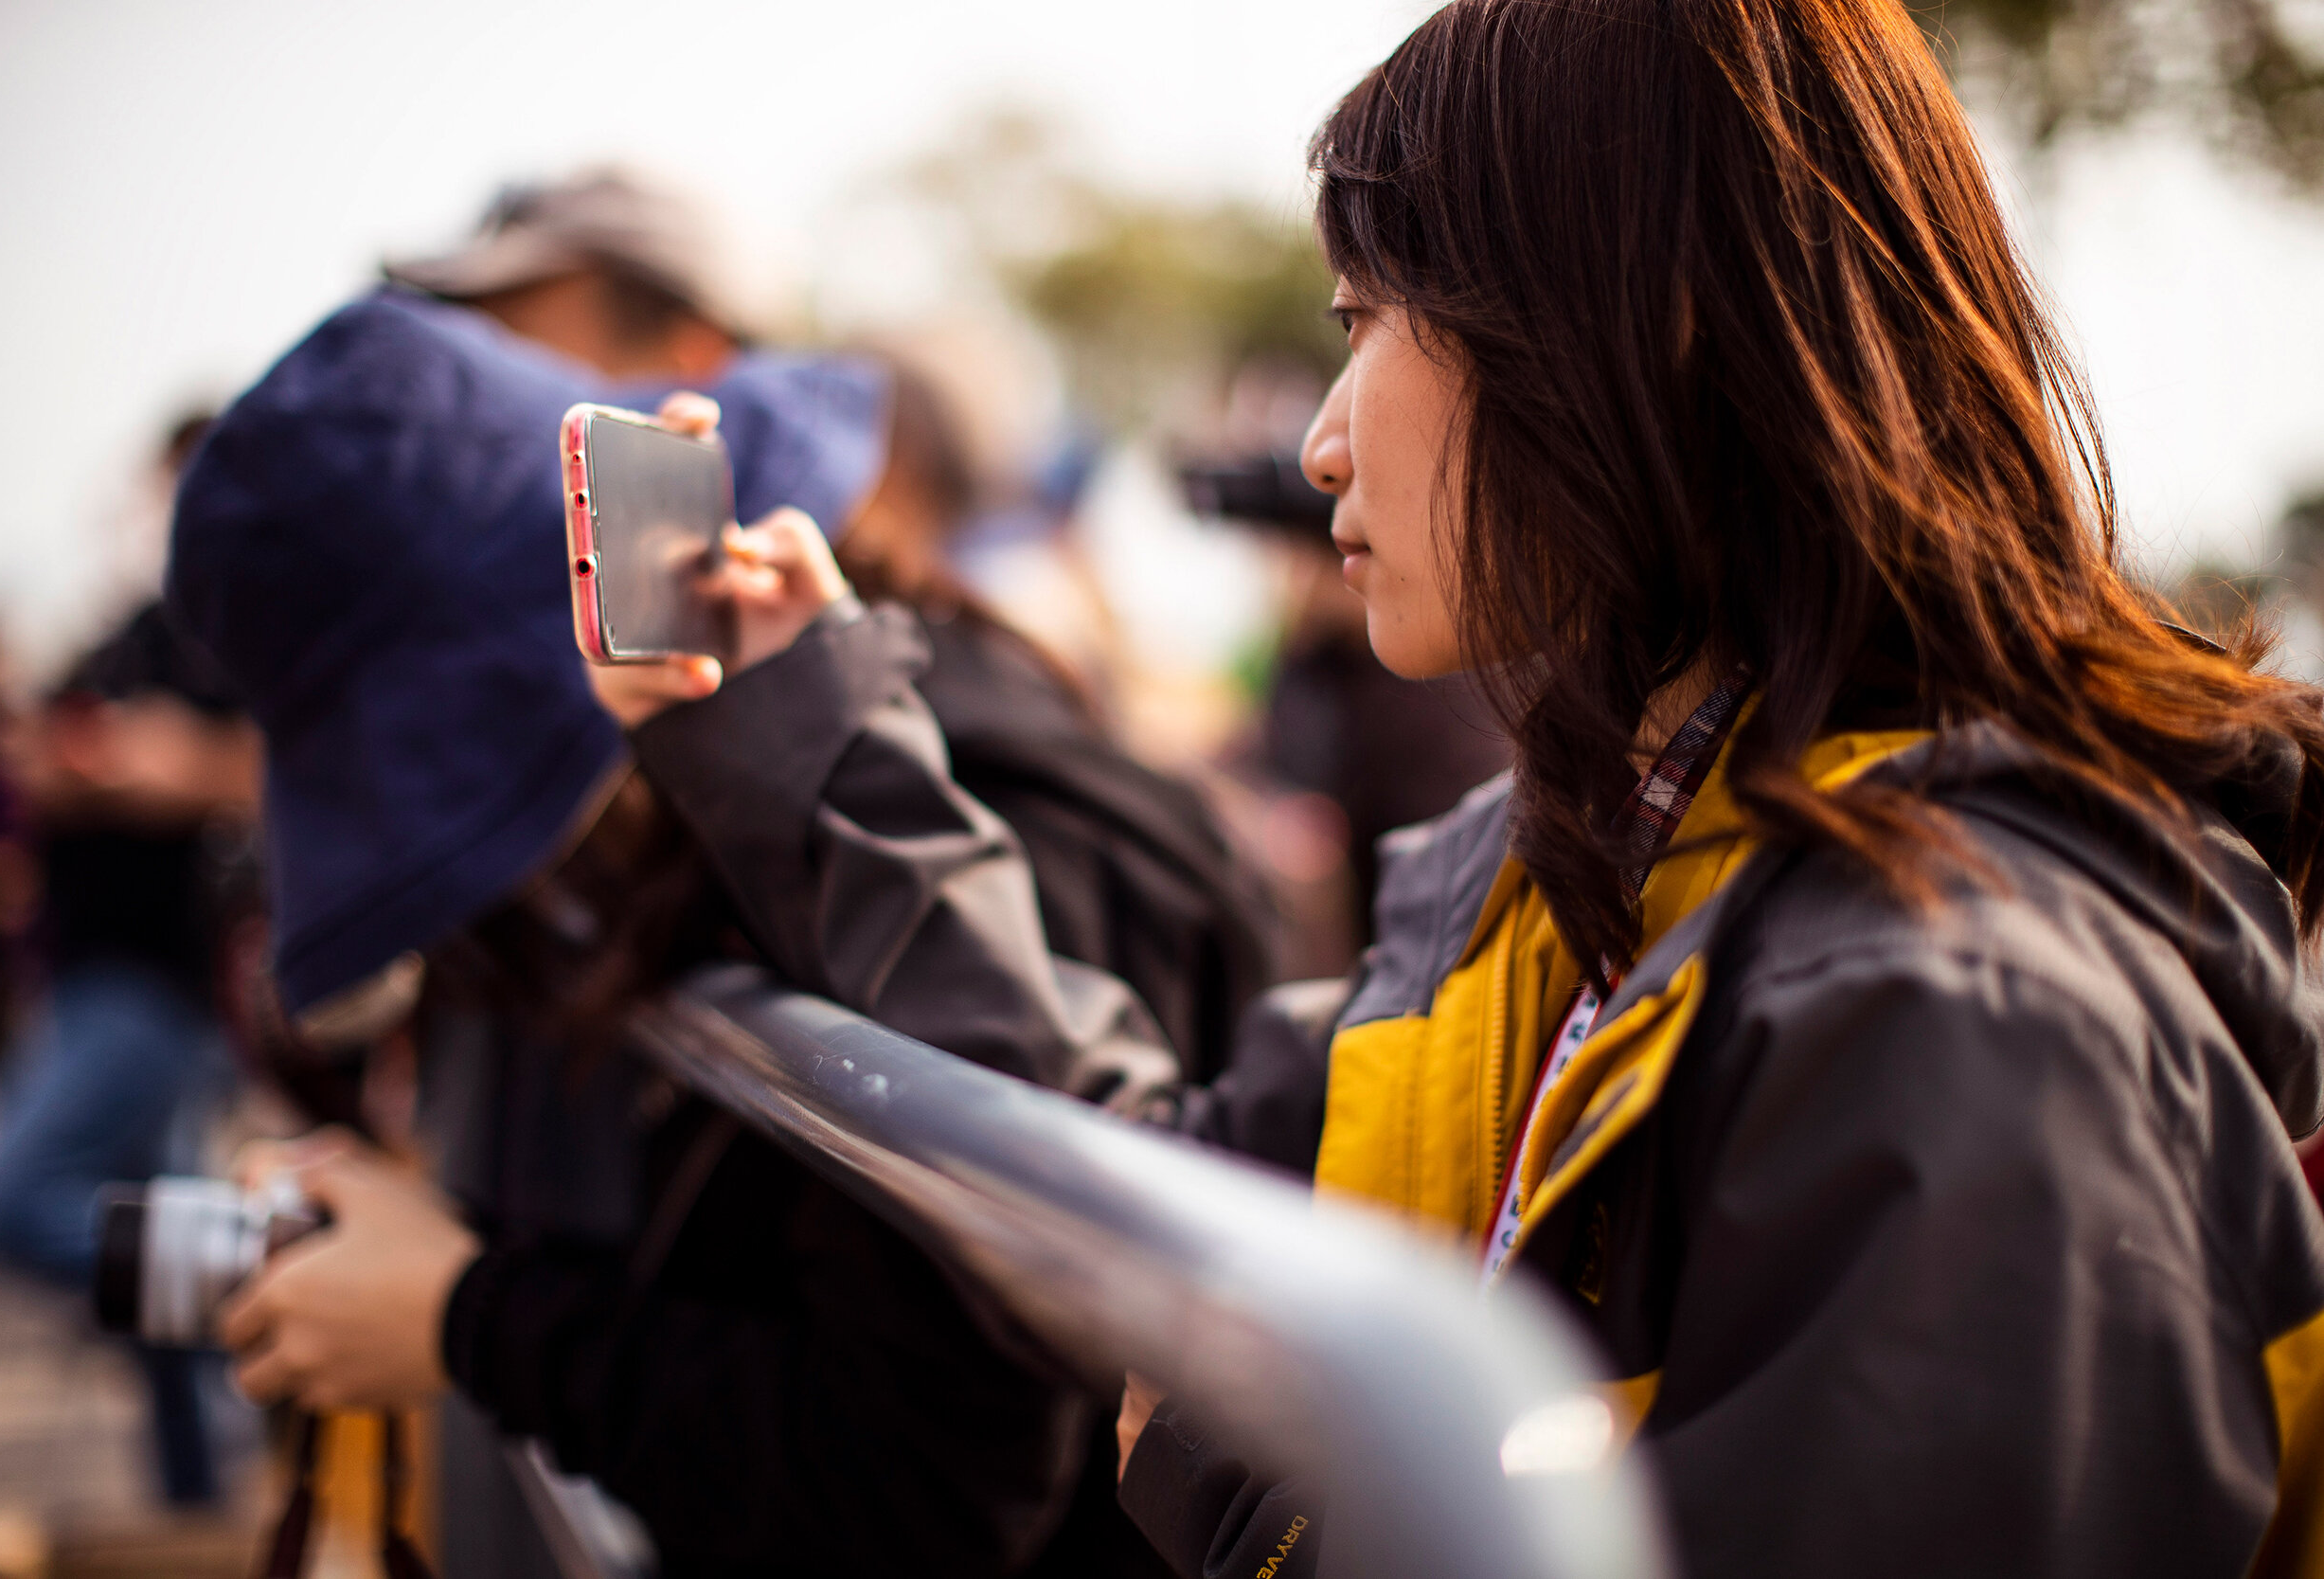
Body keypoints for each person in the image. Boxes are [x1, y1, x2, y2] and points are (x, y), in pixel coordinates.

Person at [1088, 1, 2324, 1574]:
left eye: (1364, 319)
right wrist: (796, 730)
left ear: (1632, 320)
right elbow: (1130, 1145)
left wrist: (1267, 1497)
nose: (1322, 445)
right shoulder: (1590, 872)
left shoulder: (1965, 1018)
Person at [173, 260, 1260, 1574]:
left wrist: (472, 1312)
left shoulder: (989, 831)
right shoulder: (708, 845)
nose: (493, 882)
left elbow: (941, 1491)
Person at [0, 578, 261, 1506]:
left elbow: (243, 765)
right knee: (155, 1315)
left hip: (143, 990)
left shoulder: (208, 630)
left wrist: (147, 763)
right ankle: (201, 1508)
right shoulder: (132, 631)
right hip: (110, 983)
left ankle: (265, 1276)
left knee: (2, 1202)